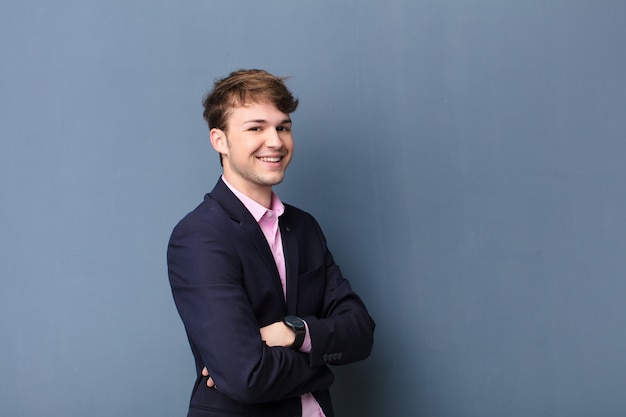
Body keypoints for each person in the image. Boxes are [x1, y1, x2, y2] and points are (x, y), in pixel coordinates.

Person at [167, 69, 375, 417]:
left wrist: (295, 333)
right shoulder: (200, 236)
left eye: (283, 127)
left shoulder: (303, 226)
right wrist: (322, 365)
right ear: (219, 141)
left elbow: (360, 332)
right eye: (255, 128)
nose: (275, 141)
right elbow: (245, 376)